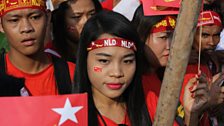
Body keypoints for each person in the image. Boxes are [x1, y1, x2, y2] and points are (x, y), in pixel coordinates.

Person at [132, 5, 212, 126]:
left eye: (174, 37)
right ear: (141, 37)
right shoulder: (135, 85)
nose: (170, 45)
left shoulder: (165, 77)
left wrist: (191, 113)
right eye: (163, 37)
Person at [74, 10, 152, 126]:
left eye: (127, 61)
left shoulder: (150, 102)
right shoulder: (68, 116)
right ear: (84, 60)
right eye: (104, 61)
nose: (117, 73)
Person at [0, 0, 75, 96]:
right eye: (14, 20)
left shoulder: (73, 75)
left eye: (35, 17)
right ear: (1, 24)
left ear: (48, 17)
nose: (26, 28)